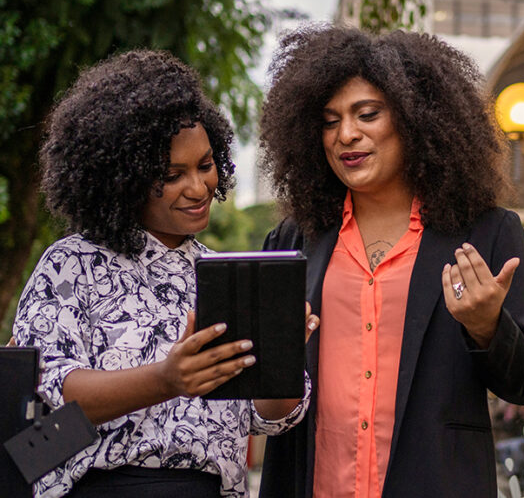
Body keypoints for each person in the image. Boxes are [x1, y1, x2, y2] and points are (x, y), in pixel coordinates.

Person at [257, 25, 524, 498]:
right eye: (330, 121)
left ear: (417, 120)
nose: (346, 135)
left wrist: (487, 326)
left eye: (367, 114)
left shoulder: (487, 232)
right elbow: (265, 392)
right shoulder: (294, 241)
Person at [12, 50, 319, 498]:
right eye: (171, 175)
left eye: (205, 165)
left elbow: (271, 417)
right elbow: (48, 389)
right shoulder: (72, 264)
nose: (198, 188)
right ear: (123, 178)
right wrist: (165, 379)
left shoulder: (226, 275)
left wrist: (281, 360)